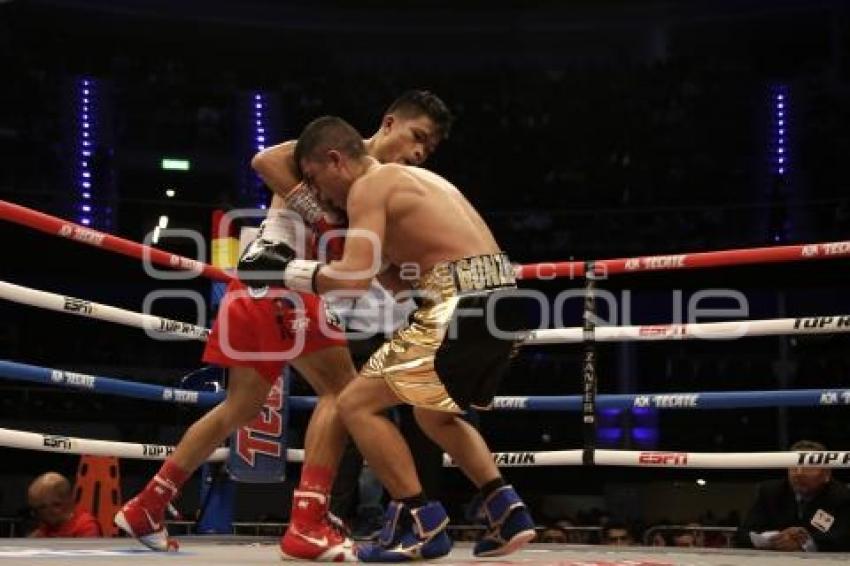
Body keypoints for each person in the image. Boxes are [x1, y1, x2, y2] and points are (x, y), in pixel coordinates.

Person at [115, 91, 452, 562]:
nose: (419, 152)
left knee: (240, 407)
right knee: (346, 393)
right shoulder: (336, 149)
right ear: (390, 123)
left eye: (429, 148)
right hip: (281, 284)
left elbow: (374, 266)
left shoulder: (382, 189)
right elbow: (266, 158)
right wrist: (322, 214)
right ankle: (308, 521)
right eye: (417, 137)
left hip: (255, 290)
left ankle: (148, 504)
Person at [237, 116, 536, 561]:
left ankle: (421, 523)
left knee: (355, 402)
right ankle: (507, 511)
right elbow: (395, 281)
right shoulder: (418, 182)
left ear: (335, 160)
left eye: (316, 181)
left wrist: (285, 271)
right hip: (503, 304)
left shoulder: (368, 187)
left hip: (461, 304)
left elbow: (353, 281)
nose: (316, 196)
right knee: (434, 417)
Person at [735, 440, 850, 552]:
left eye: (808, 467)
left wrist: (804, 543)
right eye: (793, 467)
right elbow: (744, 533)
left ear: (827, 474)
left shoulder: (842, 496)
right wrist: (774, 538)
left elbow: (844, 537)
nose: (799, 473)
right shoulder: (771, 492)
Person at [28, 472, 101, 538]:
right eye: (42, 507)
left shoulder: (86, 527)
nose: (50, 512)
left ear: (69, 500)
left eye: (56, 505)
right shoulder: (47, 527)